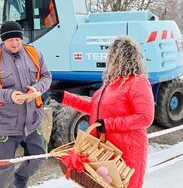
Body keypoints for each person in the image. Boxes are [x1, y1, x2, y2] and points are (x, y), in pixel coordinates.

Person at [52, 36, 154, 188]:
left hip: (128, 152)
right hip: (106, 149)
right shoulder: (111, 83)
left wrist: (109, 124)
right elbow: (95, 108)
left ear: (120, 58)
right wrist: (65, 98)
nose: (108, 61)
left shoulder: (137, 82)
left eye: (111, 56)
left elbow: (145, 118)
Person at [0, 21, 52, 188]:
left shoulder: (34, 54)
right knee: (4, 171)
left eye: (18, 39)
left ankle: (19, 181)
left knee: (38, 157)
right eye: (10, 40)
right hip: (5, 124)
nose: (15, 43)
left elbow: (46, 76)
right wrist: (9, 95)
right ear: (3, 40)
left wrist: (38, 89)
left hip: (32, 122)